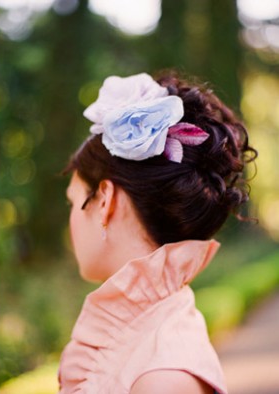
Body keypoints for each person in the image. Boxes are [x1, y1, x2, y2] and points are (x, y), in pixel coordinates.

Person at [59, 72, 255, 394]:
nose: (71, 220)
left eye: (73, 201)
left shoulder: (164, 379)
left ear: (105, 201)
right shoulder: (141, 332)